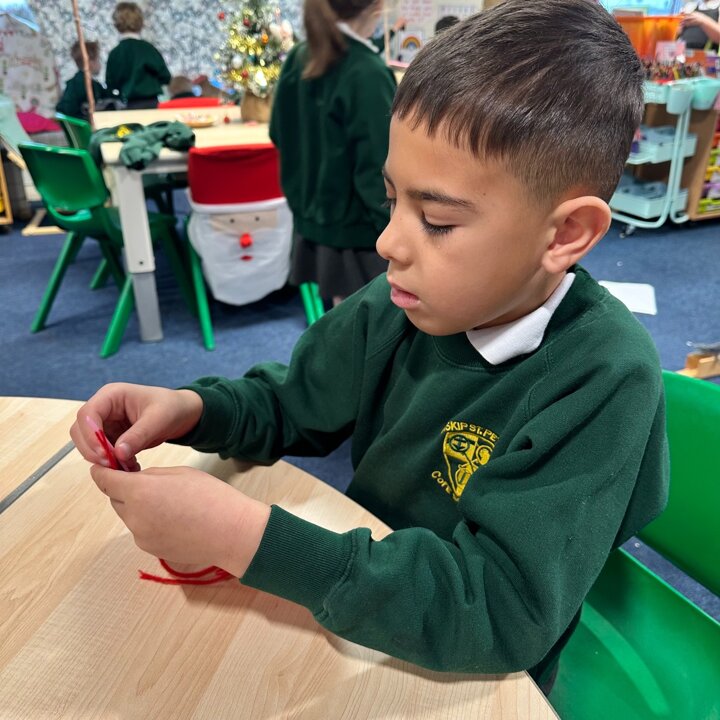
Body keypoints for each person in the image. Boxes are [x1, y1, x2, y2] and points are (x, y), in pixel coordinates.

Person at [70, 0, 668, 694]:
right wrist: (193, 409)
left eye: (436, 221)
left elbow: (500, 614)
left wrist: (244, 538)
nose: (387, 242)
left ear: (565, 235)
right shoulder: (400, 302)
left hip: (469, 678)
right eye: (392, 201)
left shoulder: (604, 375)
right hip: (361, 609)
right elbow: (291, 403)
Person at [270, 0, 397, 306]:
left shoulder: (300, 56)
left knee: (343, 317)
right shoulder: (366, 72)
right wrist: (398, 230)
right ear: (378, 7)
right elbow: (380, 166)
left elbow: (278, 131)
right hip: (363, 231)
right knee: (371, 323)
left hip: (316, 219)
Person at [106, 2, 171, 109]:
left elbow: (111, 84)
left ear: (117, 24)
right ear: (140, 22)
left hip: (128, 105)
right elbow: (165, 77)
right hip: (152, 103)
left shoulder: (115, 53)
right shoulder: (148, 49)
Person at [56, 41, 108, 119]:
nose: (99, 63)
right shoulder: (88, 85)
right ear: (90, 62)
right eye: (98, 59)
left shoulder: (74, 83)